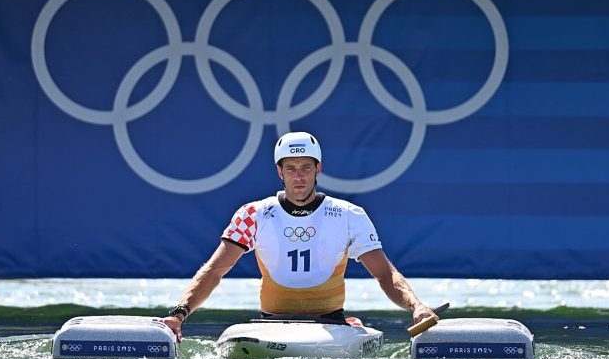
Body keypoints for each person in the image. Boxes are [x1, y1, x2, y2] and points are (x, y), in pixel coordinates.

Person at [162, 131, 437, 340]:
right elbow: (214, 271)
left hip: (332, 324)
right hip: (271, 324)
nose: (299, 177)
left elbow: (384, 274)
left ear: (318, 169)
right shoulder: (253, 214)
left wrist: (417, 306)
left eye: (306, 167)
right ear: (279, 172)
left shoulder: (349, 215)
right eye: (291, 168)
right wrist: (179, 314)